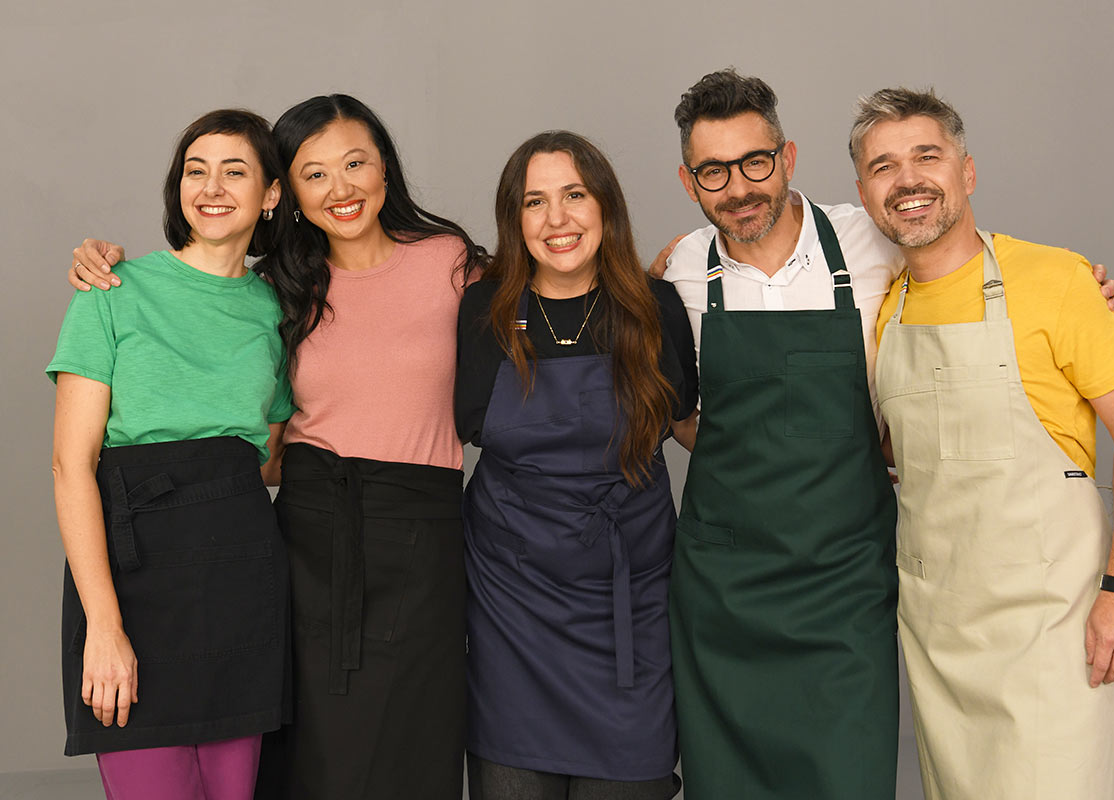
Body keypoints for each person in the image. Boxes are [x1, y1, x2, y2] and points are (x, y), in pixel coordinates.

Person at [651, 70, 1114, 799]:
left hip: (844, 581)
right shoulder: (678, 272)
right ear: (689, 182)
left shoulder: (869, 242)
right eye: (714, 171)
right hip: (723, 591)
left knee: (849, 775)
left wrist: (1076, 286)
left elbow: (959, 254)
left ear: (788, 157)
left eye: (756, 162)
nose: (739, 187)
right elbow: (667, 403)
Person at [67, 94, 489, 800]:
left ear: (385, 168)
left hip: (419, 539)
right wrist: (105, 266)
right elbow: (248, 447)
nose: (339, 187)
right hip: (305, 540)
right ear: (288, 193)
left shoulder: (450, 264)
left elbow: (549, 295)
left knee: (413, 747)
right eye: (314, 174)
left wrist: (652, 285)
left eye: (355, 163)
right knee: (303, 761)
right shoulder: (283, 289)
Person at [853, 87, 1114, 800]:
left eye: (927, 156)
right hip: (938, 637)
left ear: (967, 171)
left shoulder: (1056, 280)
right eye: (883, 166)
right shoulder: (884, 311)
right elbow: (900, 451)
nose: (907, 180)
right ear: (865, 193)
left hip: (1051, 631)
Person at [48, 109, 292, 800]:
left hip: (241, 577)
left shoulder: (277, 310)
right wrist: (103, 626)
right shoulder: (112, 291)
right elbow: (71, 466)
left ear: (271, 194)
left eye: (235, 171)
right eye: (195, 170)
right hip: (133, 579)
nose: (211, 187)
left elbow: (270, 459)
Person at [455, 131, 696, 800]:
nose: (556, 219)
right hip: (512, 611)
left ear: (605, 205)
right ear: (514, 219)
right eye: (535, 201)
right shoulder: (481, 312)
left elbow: (690, 426)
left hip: (631, 610)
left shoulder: (657, 308)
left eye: (574, 195)